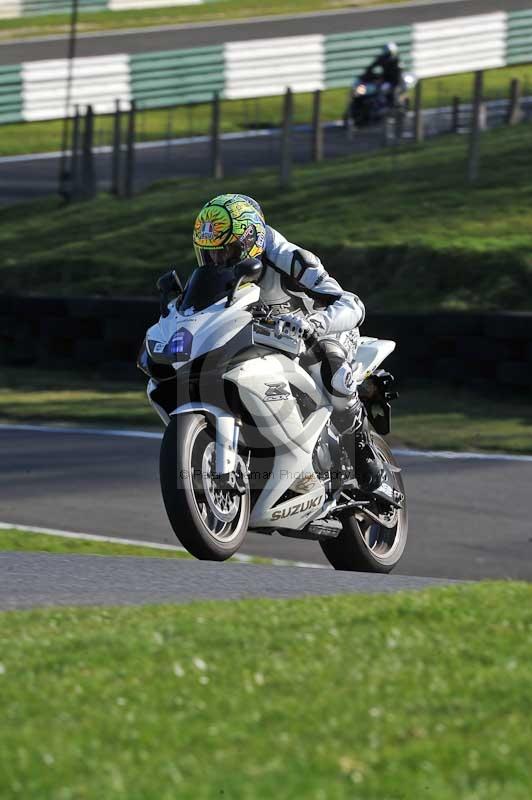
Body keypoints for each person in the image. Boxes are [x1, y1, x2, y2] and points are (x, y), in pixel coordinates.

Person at [191, 193, 384, 494]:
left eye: (225, 251)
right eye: (210, 253)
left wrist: (315, 324)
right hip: (267, 339)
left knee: (329, 366)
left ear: (248, 241)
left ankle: (362, 451)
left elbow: (351, 303)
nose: (217, 261)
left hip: (319, 330)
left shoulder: (290, 259)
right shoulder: (215, 275)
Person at [361, 42, 403, 108]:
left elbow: (398, 74)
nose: (388, 56)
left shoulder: (397, 61)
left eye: (390, 54)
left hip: (394, 81)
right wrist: (366, 74)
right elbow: (371, 66)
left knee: (392, 93)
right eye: (387, 54)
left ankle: (396, 106)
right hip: (385, 80)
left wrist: (395, 82)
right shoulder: (381, 59)